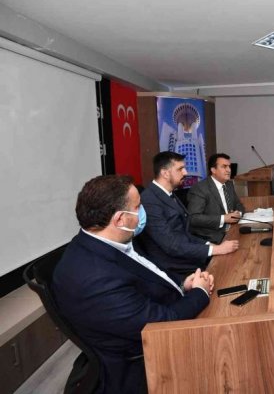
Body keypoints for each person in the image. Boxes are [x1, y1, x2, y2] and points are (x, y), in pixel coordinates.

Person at [52, 175, 213, 394]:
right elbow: (161, 325)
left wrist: (183, 283)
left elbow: (149, 272)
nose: (143, 212)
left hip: (162, 309)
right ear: (120, 219)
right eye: (138, 207)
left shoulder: (108, 241)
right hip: (146, 362)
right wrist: (200, 292)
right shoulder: (97, 279)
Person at [138, 152, 238, 275]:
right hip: (174, 267)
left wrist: (209, 245)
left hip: (187, 256)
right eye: (180, 169)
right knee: (230, 269)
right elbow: (171, 245)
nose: (185, 172)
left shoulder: (168, 194)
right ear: (165, 173)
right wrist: (215, 249)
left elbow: (185, 234)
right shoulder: (149, 200)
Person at [187, 153, 246, 244]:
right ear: (213, 170)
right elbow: (194, 218)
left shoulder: (229, 184)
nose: (229, 170)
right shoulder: (200, 188)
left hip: (232, 230)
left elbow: (238, 205)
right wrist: (223, 218)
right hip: (211, 237)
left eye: (229, 166)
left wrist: (238, 213)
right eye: (224, 166)